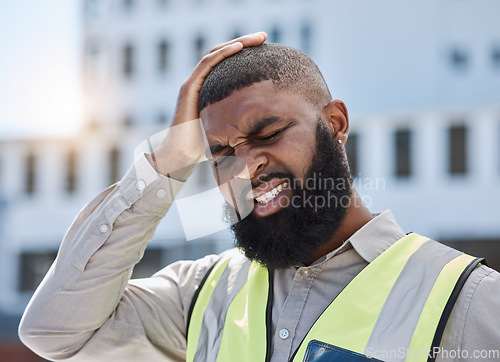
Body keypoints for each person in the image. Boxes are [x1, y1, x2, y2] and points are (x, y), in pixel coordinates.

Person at [19, 32, 500, 362]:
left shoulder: (470, 299)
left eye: (268, 132)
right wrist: (169, 161)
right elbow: (53, 332)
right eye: (220, 152)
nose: (247, 166)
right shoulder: (201, 293)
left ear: (335, 125)